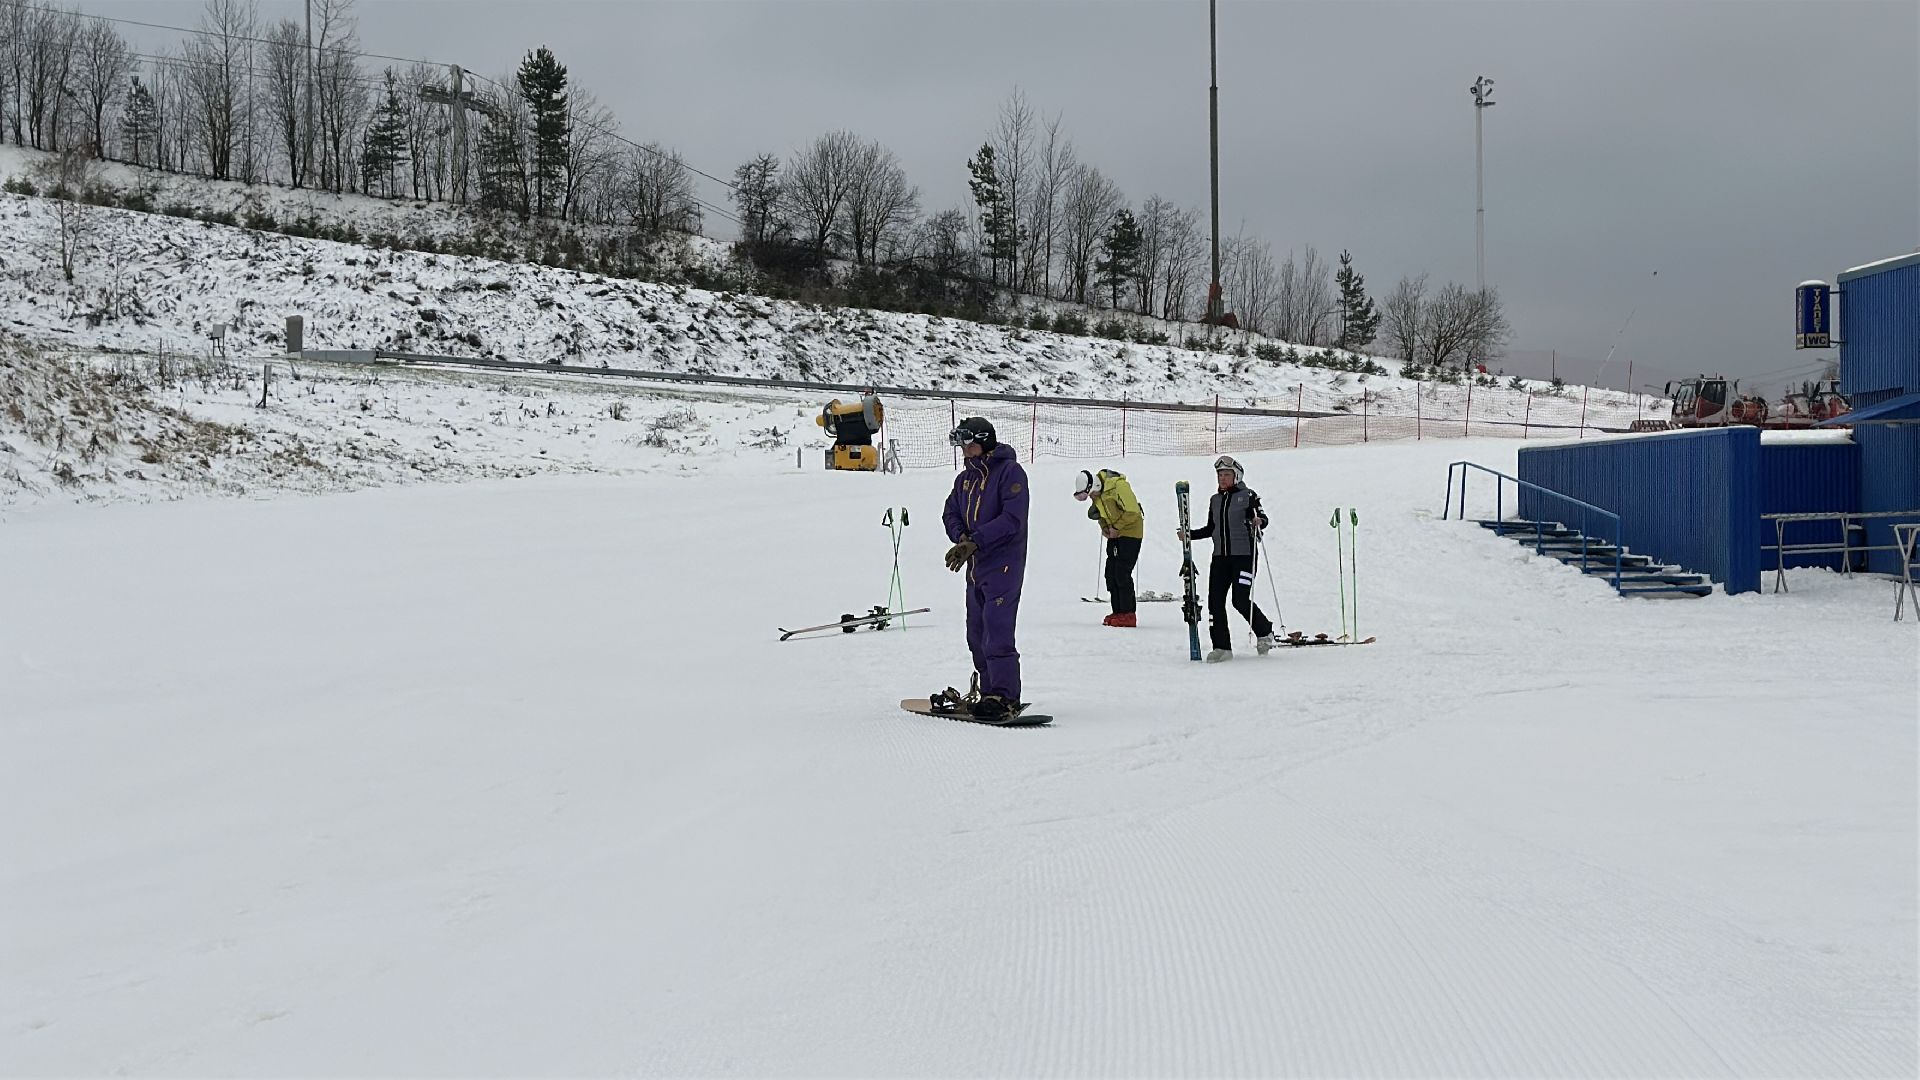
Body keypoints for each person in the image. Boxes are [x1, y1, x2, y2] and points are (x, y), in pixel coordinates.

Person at [938, 417, 1029, 720]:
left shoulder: (1010, 473)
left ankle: (1004, 696)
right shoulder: (965, 479)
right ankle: (988, 690)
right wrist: (961, 537)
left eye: (968, 444)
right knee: (975, 633)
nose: (964, 451)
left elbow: (1012, 520)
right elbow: (950, 511)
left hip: (1003, 565)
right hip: (975, 568)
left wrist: (976, 542)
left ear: (984, 441)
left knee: (997, 629)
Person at [1176, 454, 1276, 662]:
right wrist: (1190, 535)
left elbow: (1263, 518)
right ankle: (1222, 646)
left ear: (1236, 476)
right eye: (1220, 474)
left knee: (1239, 599)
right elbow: (1211, 529)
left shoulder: (1248, 496)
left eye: (1227, 474)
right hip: (1220, 558)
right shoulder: (1215, 500)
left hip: (1244, 557)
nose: (1222, 478)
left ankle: (1264, 631)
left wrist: (1259, 521)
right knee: (1215, 602)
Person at [1073, 468, 1144, 626]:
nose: (1092, 497)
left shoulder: (1118, 487)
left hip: (1131, 533)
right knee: (1110, 573)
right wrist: (1104, 526)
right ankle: (1118, 611)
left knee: (1122, 572)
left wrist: (1117, 527)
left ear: (1095, 486)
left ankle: (1128, 614)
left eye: (1091, 494)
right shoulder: (1098, 493)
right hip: (1115, 534)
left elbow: (1132, 511)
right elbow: (1101, 512)